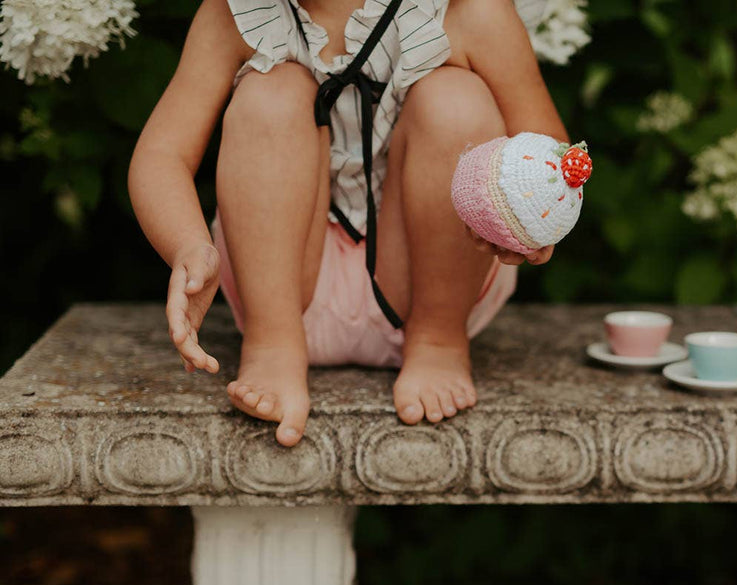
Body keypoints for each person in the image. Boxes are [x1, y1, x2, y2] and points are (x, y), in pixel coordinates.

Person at [128, 0, 568, 447]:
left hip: (429, 281)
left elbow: (548, 149)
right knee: (270, 92)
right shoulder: (234, 13)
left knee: (456, 99)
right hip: (282, 287)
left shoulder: (471, 11)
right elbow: (162, 154)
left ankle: (439, 343)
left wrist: (534, 212)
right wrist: (189, 246)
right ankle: (271, 346)